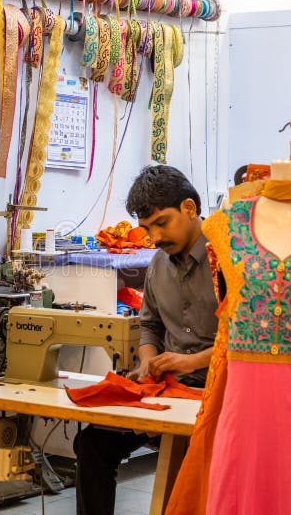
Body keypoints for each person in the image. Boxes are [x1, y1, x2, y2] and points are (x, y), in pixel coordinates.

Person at [74, 165, 219, 515]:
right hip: (171, 389)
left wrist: (192, 361)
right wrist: (146, 362)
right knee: (92, 442)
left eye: (161, 223)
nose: (154, 237)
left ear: (189, 208)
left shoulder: (227, 259)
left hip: (219, 390)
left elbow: (244, 338)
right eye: (146, 228)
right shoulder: (158, 264)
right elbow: (150, 325)